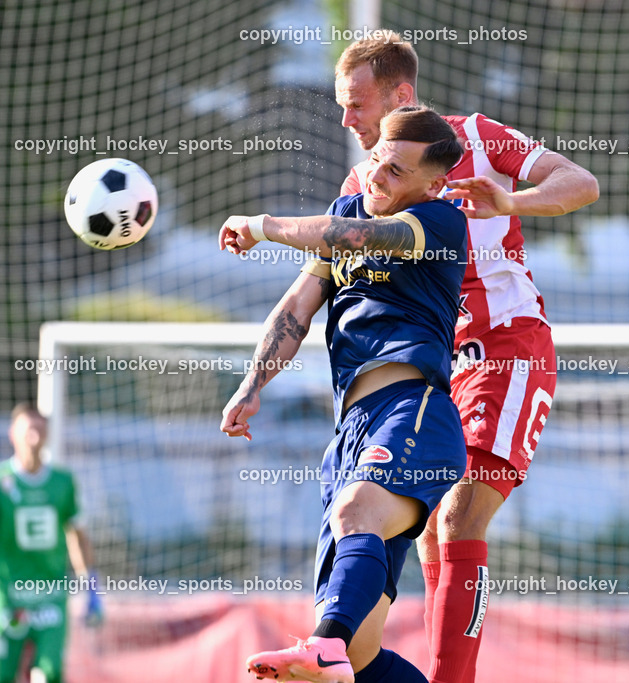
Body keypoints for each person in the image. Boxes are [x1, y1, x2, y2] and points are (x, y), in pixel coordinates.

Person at [333, 31, 599, 683]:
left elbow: (580, 182)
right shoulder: (363, 183)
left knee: (459, 514)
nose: (346, 120)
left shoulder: (476, 137)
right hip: (436, 368)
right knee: (427, 525)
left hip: (508, 347)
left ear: (401, 95)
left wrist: (511, 201)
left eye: (357, 104)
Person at [219, 106, 468, 683]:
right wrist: (252, 385)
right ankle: (334, 647)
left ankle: (323, 647)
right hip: (349, 436)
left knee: (355, 516)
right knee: (360, 655)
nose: (376, 175)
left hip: (413, 413)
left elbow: (355, 237)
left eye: (396, 171)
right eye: (376, 159)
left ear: (433, 185)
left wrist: (261, 225)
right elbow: (296, 308)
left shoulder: (440, 222)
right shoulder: (347, 209)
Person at [0, 403, 103, 683]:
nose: (35, 436)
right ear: (13, 434)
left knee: (50, 674)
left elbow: (77, 537)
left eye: (40, 429)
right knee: (0, 674)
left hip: (51, 597)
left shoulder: (63, 482)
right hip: (9, 598)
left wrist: (91, 588)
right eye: (29, 429)